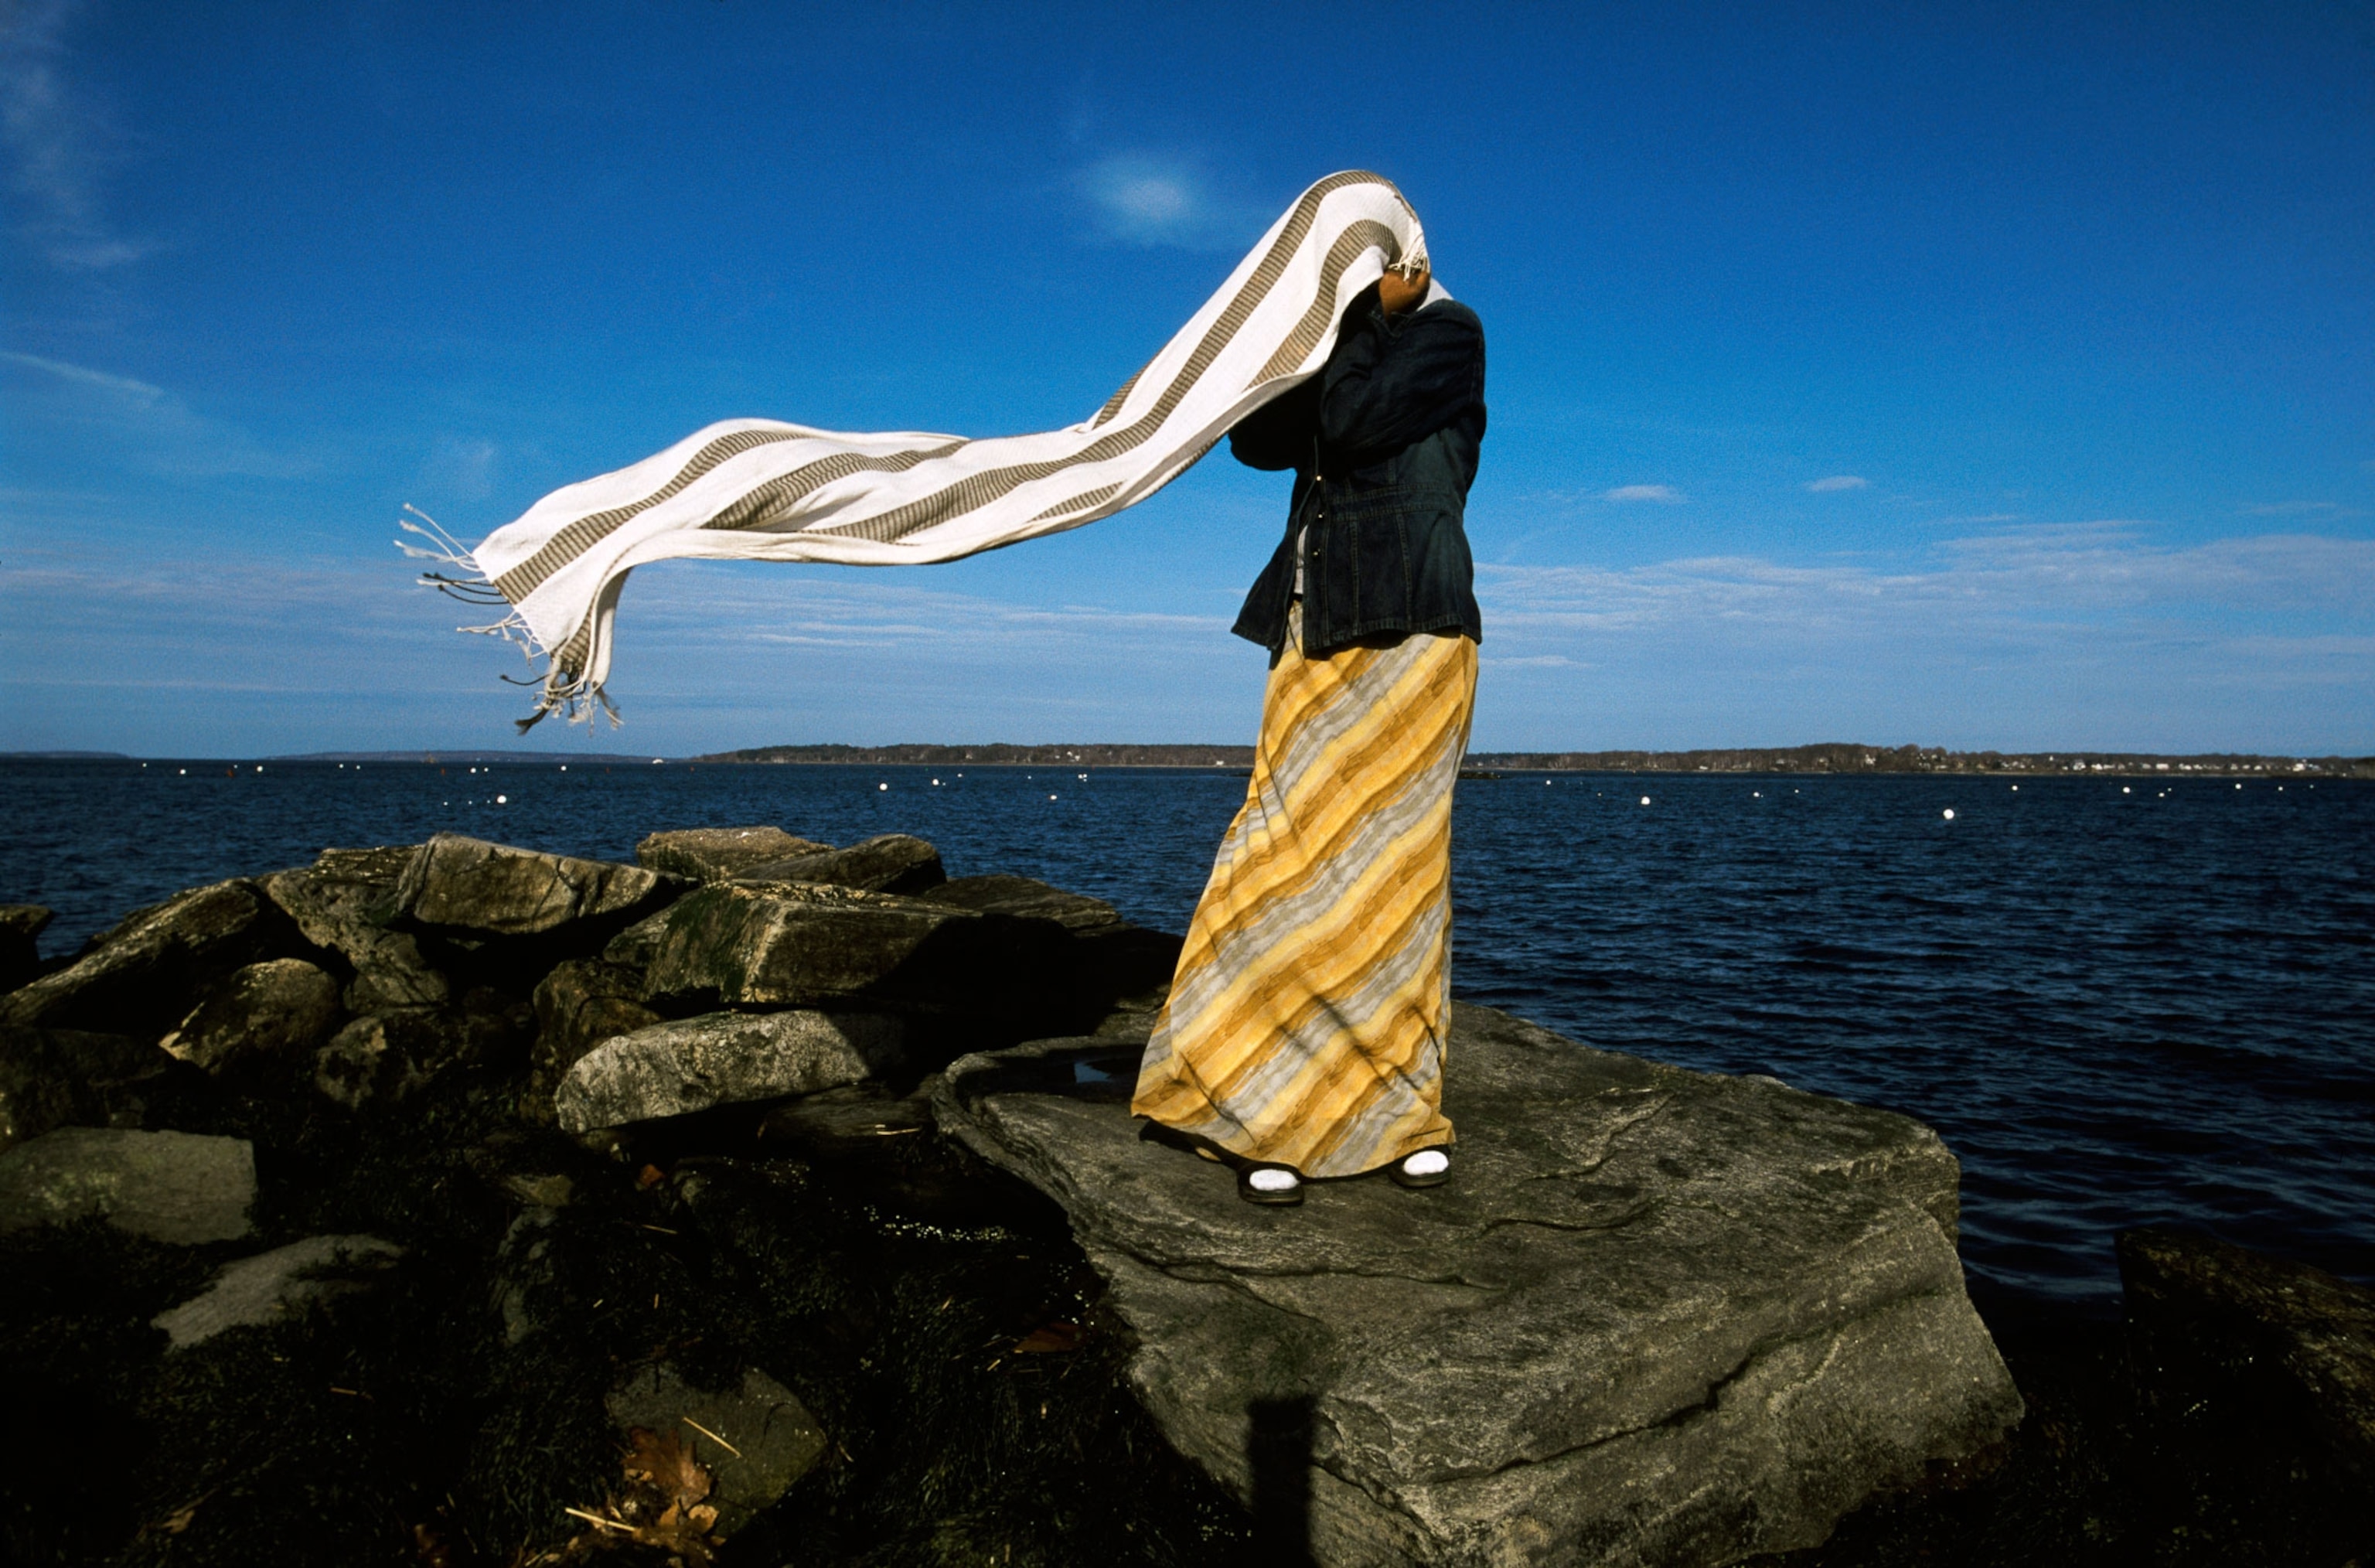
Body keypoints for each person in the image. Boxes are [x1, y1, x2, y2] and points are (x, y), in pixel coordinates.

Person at [1130, 259, 1487, 1206]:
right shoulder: (1349, 352)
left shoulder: (1451, 335)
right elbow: (1261, 437)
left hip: (1413, 621)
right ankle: (1262, 1106)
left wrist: (1373, 322)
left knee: (1396, 875)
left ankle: (1395, 1113)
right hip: (1314, 621)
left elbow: (1356, 425)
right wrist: (1306, 334)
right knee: (1282, 862)